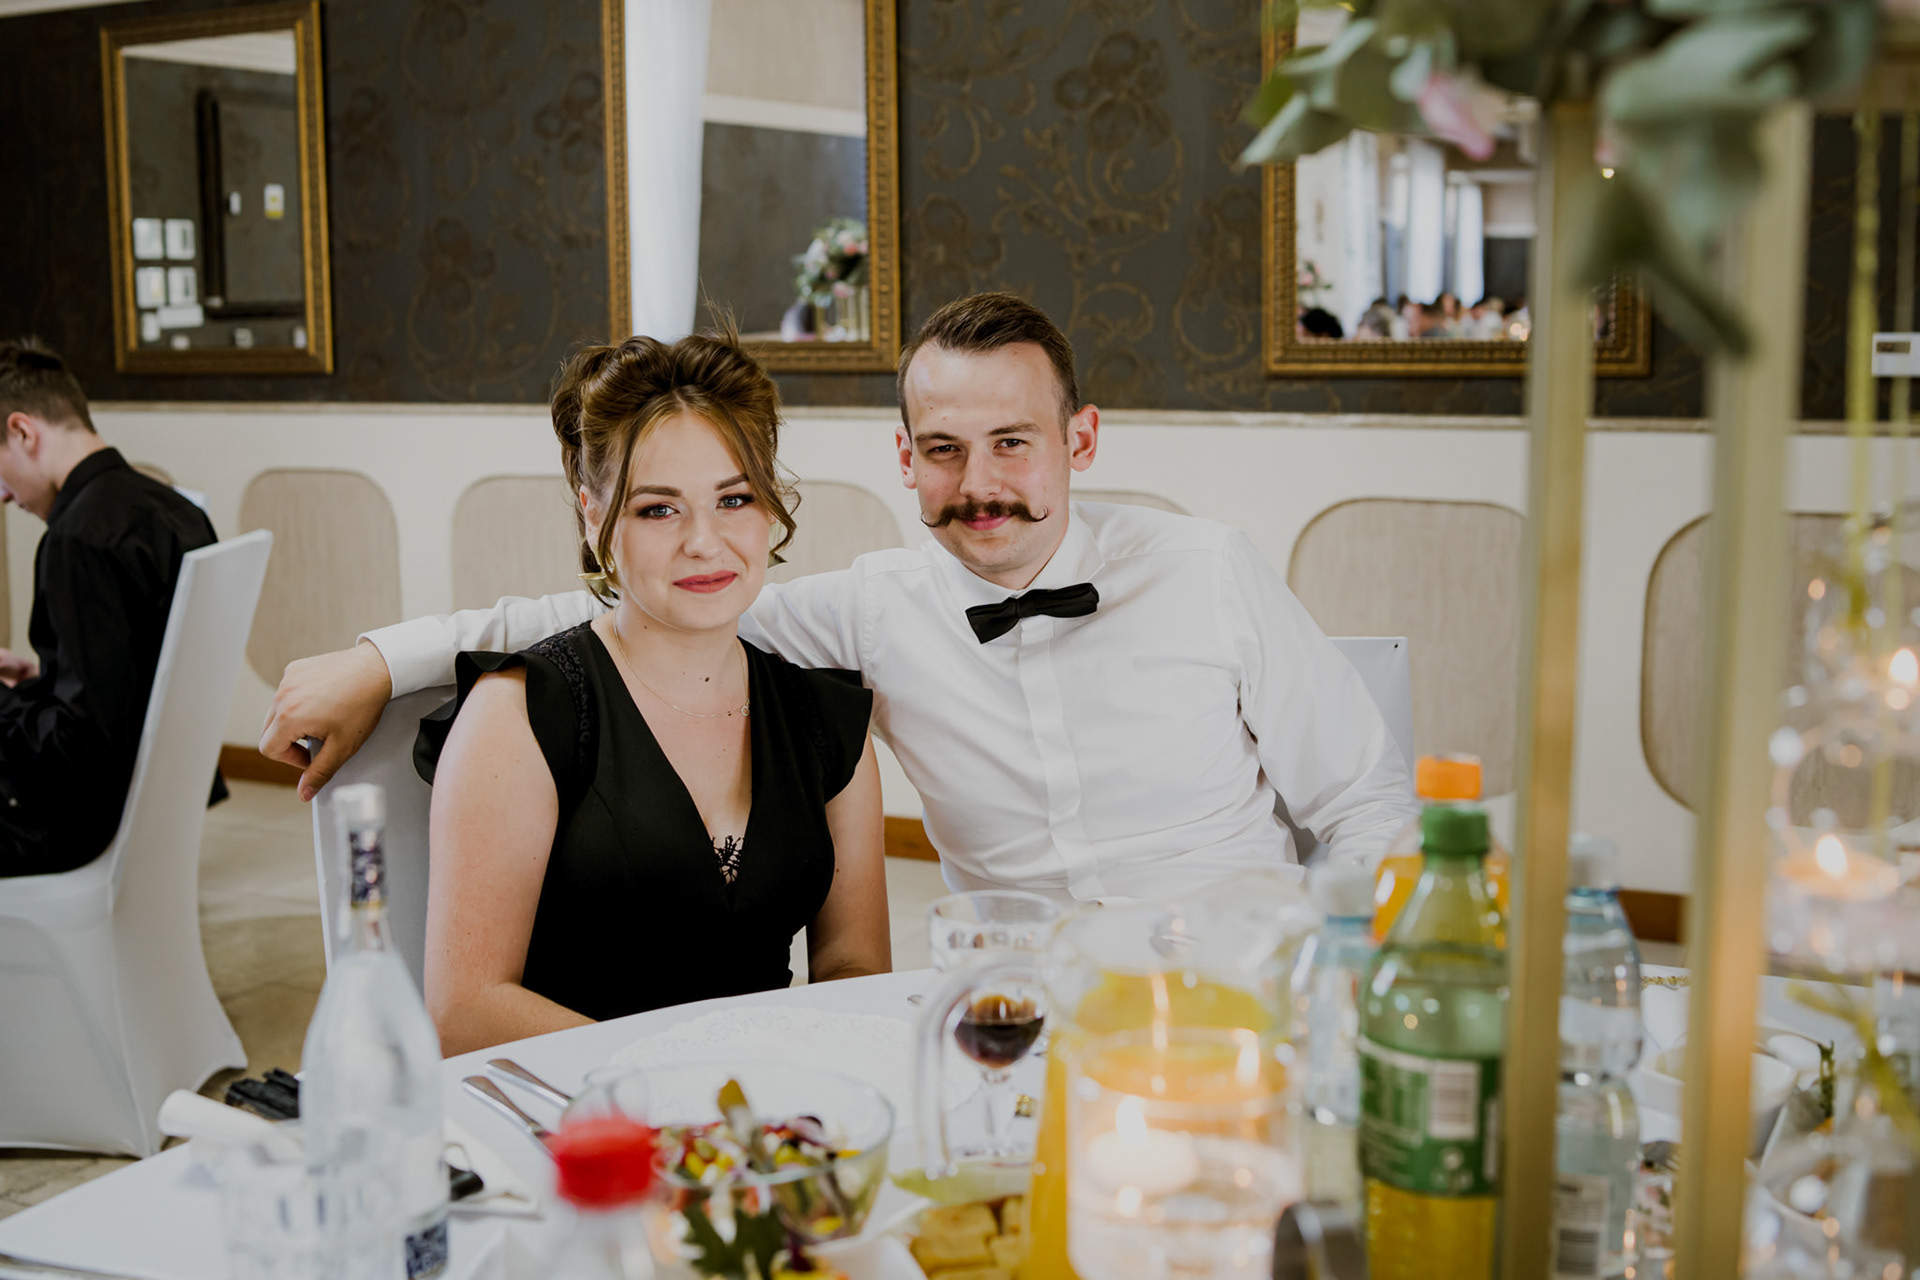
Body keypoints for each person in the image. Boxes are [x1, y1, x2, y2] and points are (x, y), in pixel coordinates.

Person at [263, 293, 1416, 905]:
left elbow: (1368, 804)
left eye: (1014, 442)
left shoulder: (1209, 569)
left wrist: (1333, 967)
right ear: (905, 458)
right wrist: (382, 656)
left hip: (1235, 999)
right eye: (946, 448)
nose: (981, 484)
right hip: (1012, 1022)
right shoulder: (872, 611)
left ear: (1082, 438)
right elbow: (637, 612)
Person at [415, 330, 890, 1054]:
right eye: (658, 509)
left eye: (734, 498)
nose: (704, 542)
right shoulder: (520, 715)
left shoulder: (828, 724)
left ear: (769, 507)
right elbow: (465, 1012)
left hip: (755, 1106)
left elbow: (855, 969)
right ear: (593, 514)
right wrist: (684, 1080)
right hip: (572, 1103)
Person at [0, 339, 221, 876]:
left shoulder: (79, 539)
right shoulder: (175, 509)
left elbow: (77, 752)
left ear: (23, 432)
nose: (3, 495)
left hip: (81, 824)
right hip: (154, 800)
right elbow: (125, 686)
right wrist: (40, 686)